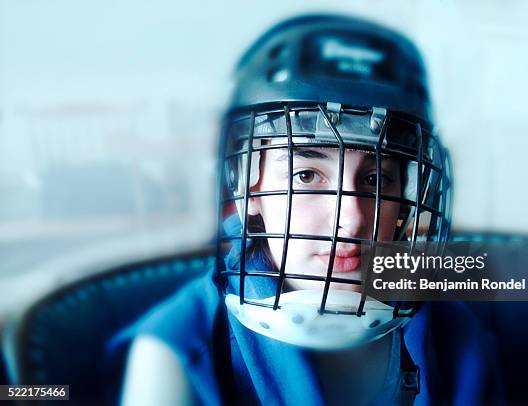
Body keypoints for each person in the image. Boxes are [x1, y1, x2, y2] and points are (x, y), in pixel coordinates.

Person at [108, 14, 504, 405]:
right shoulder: (179, 347)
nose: (351, 219)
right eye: (307, 175)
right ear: (249, 189)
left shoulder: (453, 332)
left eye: (376, 179)